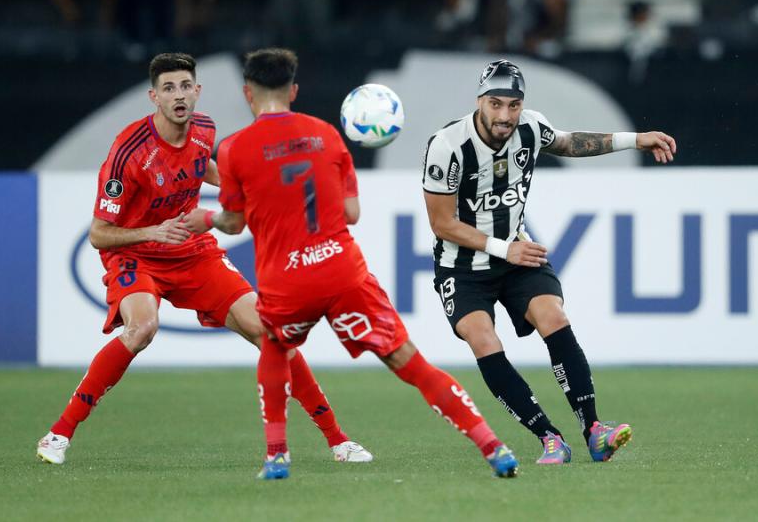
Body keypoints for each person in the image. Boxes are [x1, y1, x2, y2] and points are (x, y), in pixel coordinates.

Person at [183, 48, 519, 481]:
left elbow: (232, 221)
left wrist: (203, 219)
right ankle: (492, 445)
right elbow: (352, 212)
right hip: (342, 270)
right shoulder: (326, 134)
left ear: (248, 93)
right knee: (410, 362)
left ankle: (277, 457)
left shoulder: (232, 150)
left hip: (287, 278)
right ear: (294, 90)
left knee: (275, 346)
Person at [36, 52, 371, 465]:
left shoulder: (204, 129)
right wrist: (152, 231)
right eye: (168, 88)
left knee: (271, 334)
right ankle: (59, 433)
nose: (178, 96)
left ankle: (338, 440)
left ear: (197, 91)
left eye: (184, 87)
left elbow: (205, 168)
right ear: (153, 97)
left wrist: (250, 188)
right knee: (142, 328)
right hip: (136, 254)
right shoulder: (129, 152)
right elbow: (98, 234)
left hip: (193, 253)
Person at [422, 59, 676, 465]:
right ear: (480, 101)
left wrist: (636, 139)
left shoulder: (530, 127)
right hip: (463, 265)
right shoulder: (448, 145)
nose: (505, 115)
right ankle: (549, 437)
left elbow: (568, 142)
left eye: (513, 105)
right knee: (483, 339)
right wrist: (505, 249)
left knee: (553, 317)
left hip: (517, 254)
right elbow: (441, 223)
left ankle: (594, 429)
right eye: (496, 104)